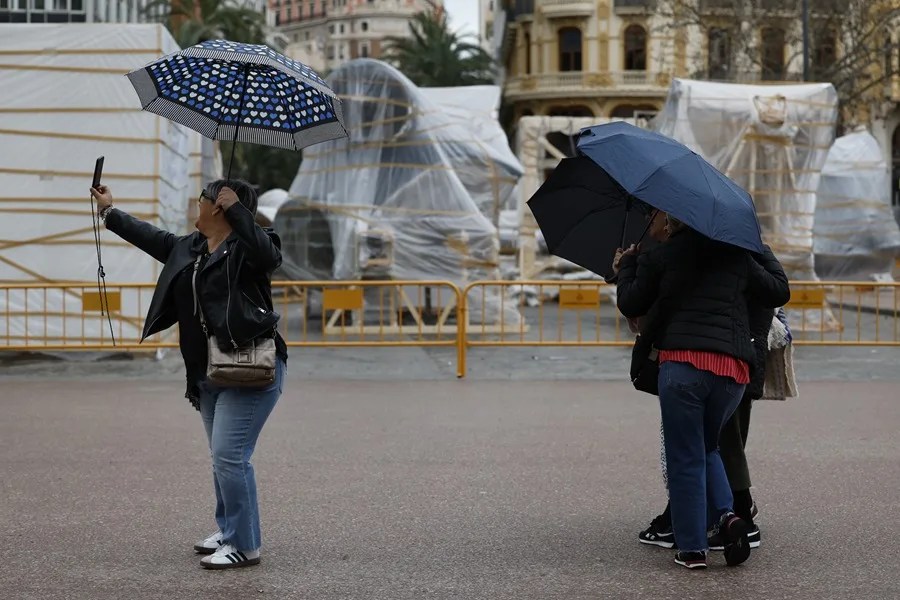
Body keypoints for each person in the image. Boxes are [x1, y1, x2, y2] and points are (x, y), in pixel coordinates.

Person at [90, 180, 288, 570]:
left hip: (250, 368)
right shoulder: (191, 247)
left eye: (201, 200)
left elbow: (269, 258)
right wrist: (109, 211)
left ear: (219, 207)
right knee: (222, 458)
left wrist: (240, 213)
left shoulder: (250, 247)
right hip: (207, 371)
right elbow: (151, 237)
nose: (195, 206)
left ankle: (245, 545)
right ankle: (229, 529)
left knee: (231, 457)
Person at [614, 215, 789, 570]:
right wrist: (759, 247)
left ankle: (693, 548)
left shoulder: (663, 254)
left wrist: (628, 265)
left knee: (685, 457)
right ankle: (727, 518)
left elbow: (631, 302)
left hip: (684, 366)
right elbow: (778, 291)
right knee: (708, 448)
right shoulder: (737, 255)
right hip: (732, 372)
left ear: (675, 222)